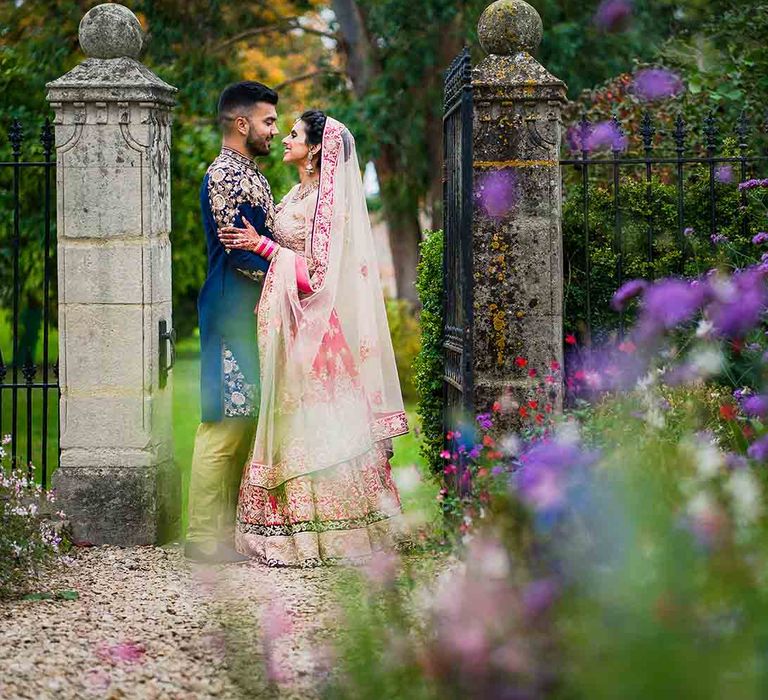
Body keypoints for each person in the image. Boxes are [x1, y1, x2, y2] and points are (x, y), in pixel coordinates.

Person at [219, 111, 408, 567]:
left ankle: (330, 535)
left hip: (316, 332)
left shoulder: (327, 200)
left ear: (317, 148)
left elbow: (318, 274)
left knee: (314, 425)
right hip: (291, 325)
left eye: (295, 134)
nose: (285, 139)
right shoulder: (297, 193)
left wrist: (260, 245)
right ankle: (287, 528)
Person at [184, 81, 279, 563]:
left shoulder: (248, 172)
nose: (274, 131)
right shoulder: (227, 175)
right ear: (241, 124)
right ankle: (202, 538)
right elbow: (242, 252)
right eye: (268, 121)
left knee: (243, 420)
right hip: (230, 311)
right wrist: (297, 276)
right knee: (224, 421)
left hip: (247, 311)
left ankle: (223, 531)